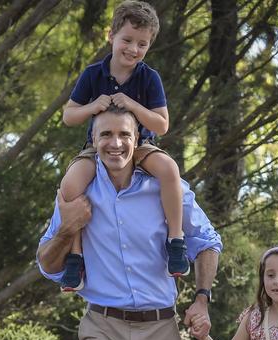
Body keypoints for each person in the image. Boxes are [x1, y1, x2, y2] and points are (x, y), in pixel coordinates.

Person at [36, 105, 222, 340]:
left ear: (137, 141)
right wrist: (68, 229)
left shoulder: (168, 188)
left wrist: (202, 299)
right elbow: (47, 264)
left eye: (124, 134)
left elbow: (207, 242)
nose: (116, 143)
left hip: (160, 332)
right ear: (93, 140)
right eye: (106, 135)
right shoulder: (78, 192)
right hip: (102, 329)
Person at [60, 0, 188, 291]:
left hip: (139, 145)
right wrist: (93, 106)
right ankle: (75, 256)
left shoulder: (149, 77)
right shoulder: (93, 74)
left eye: (142, 44)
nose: (133, 49)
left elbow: (162, 124)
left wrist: (132, 105)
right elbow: (69, 116)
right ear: (111, 36)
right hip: (97, 147)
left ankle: (176, 241)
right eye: (127, 40)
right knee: (69, 186)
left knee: (169, 168)